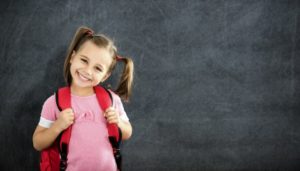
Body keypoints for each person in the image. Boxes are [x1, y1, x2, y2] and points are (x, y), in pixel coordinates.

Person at [32, 26, 134, 171]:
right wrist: (57, 125)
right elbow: (37, 143)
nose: (87, 71)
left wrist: (118, 122)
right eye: (84, 60)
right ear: (73, 58)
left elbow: (127, 132)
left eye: (97, 68)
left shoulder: (112, 100)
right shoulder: (53, 102)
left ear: (105, 76)